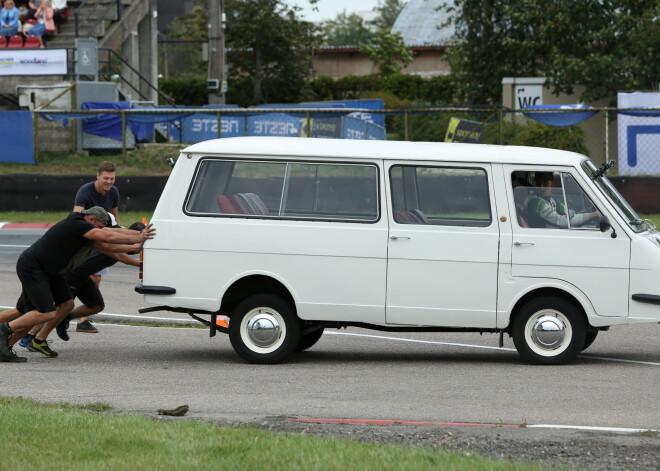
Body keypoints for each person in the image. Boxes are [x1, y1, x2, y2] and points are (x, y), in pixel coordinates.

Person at [0, 207, 155, 363]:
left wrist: (137, 241)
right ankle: (4, 330)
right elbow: (107, 236)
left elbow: (110, 245)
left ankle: (4, 348)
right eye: (99, 227)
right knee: (43, 313)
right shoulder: (77, 224)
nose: (101, 230)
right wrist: (139, 238)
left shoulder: (87, 231)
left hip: (52, 272)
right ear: (91, 219)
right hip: (35, 269)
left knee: (64, 304)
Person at [73, 161, 120, 333]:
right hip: (86, 238)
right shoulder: (85, 192)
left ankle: (83, 319)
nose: (109, 182)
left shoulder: (114, 192)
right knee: (77, 277)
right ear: (98, 176)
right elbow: (76, 217)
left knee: (97, 278)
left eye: (112, 178)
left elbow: (114, 215)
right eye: (106, 178)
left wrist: (117, 236)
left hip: (103, 236)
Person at [524, 172, 601, 229]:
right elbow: (560, 221)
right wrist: (592, 215)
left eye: (545, 183)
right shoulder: (534, 202)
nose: (541, 187)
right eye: (538, 184)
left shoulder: (552, 200)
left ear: (552, 184)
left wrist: (591, 210)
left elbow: (571, 214)